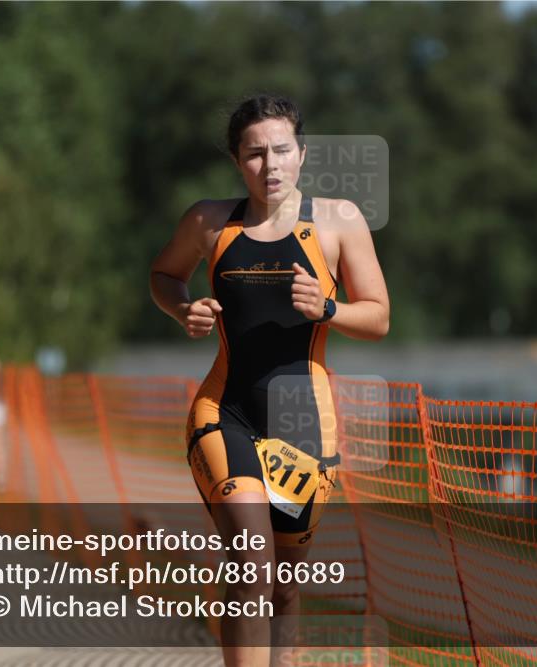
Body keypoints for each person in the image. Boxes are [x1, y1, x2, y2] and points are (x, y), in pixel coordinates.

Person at [150, 95, 389, 666]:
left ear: (302, 155)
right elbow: (164, 275)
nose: (270, 165)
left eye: (282, 150)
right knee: (249, 565)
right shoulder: (209, 222)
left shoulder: (339, 220)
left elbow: (379, 316)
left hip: (303, 424)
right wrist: (183, 310)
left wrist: (328, 308)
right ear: (238, 161)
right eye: (255, 153)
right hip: (222, 411)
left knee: (282, 585)